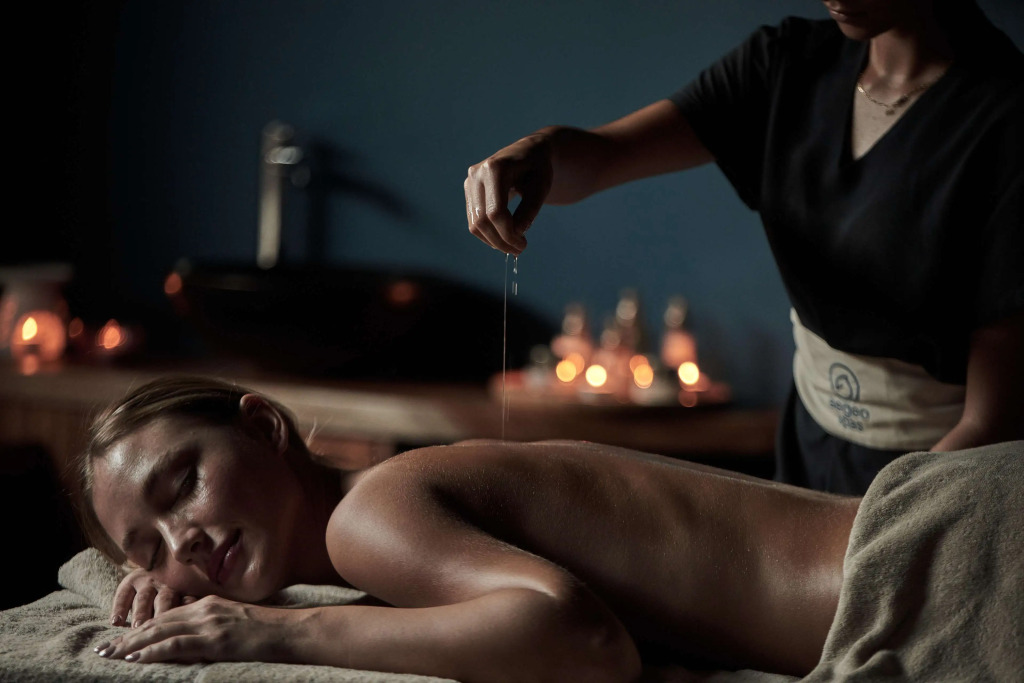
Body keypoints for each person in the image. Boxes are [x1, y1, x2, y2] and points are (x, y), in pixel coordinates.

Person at [464, 0, 1024, 495]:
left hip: (941, 472)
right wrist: (538, 152)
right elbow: (601, 158)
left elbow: (992, 421)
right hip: (808, 438)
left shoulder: (1004, 118)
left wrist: (875, 528)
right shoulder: (787, 63)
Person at [75, 376, 860, 681]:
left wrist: (266, 629)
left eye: (183, 485)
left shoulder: (368, 513)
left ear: (265, 426)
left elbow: (584, 641)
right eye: (148, 547)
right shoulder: (388, 520)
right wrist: (166, 588)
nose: (182, 539)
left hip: (902, 571)